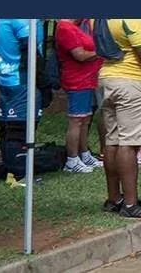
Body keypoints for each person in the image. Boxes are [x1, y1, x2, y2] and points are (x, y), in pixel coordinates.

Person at [98, 19, 141, 220]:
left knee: (113, 141)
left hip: (108, 78)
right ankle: (130, 203)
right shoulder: (134, 18)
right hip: (133, 82)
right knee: (129, 144)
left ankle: (114, 199)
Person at [0, 19, 45, 186]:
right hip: (21, 79)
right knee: (20, 129)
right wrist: (43, 82)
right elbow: (30, 51)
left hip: (7, 78)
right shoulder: (21, 18)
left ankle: (11, 170)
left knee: (8, 127)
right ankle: (21, 174)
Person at [56, 19, 104, 174]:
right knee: (76, 120)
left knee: (85, 119)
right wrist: (102, 51)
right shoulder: (65, 28)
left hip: (88, 79)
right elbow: (80, 55)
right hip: (77, 81)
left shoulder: (76, 27)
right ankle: (72, 159)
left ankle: (84, 153)